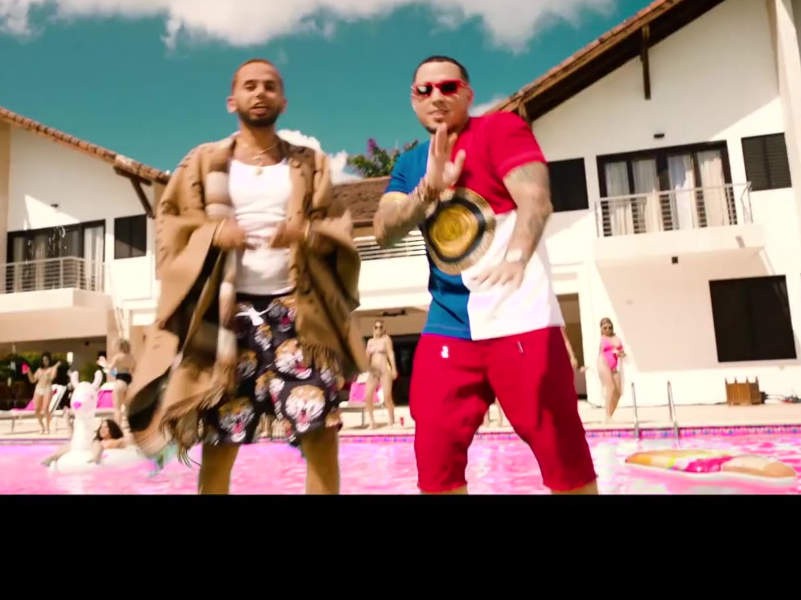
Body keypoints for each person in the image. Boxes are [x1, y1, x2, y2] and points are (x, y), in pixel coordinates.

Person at [123, 58, 368, 494]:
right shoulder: (203, 162)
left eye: (270, 86)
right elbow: (171, 224)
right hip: (226, 321)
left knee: (321, 435)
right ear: (231, 101)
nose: (260, 93)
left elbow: (338, 225)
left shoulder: (308, 164)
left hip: (299, 317)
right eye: (250, 86)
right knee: (220, 443)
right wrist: (214, 234)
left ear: (283, 102)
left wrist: (304, 233)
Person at [372, 55, 598, 495]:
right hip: (449, 325)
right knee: (435, 462)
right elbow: (384, 231)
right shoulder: (410, 164)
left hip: (520, 319)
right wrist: (428, 189)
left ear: (468, 94)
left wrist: (517, 256)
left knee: (563, 460)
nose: (436, 96)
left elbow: (536, 200)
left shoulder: (499, 130)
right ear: (413, 100)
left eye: (448, 87)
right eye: (425, 90)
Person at [364, 321, 397, 428]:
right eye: (376, 327)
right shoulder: (370, 341)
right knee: (368, 395)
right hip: (373, 370)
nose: (378, 329)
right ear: (373, 328)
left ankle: (391, 419)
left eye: (380, 327)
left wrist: (394, 368)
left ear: (383, 328)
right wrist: (364, 369)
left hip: (384, 369)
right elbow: (367, 356)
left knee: (387, 396)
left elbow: (390, 353)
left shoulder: (386, 339)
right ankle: (372, 421)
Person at [596, 317, 626, 423]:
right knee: (610, 387)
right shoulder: (602, 339)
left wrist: (620, 353)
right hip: (603, 363)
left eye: (609, 327)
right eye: (605, 328)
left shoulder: (616, 338)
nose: (608, 330)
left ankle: (609, 415)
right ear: (601, 329)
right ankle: (607, 416)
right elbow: (600, 352)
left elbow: (622, 352)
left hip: (614, 366)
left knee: (618, 392)